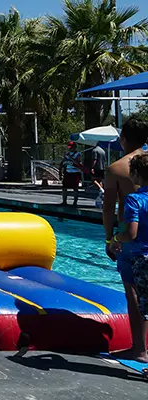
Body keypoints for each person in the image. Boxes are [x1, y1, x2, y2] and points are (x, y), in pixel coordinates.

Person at [103, 117, 148, 361]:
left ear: (123, 139)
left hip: (132, 242)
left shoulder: (117, 168)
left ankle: (139, 348)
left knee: (133, 291)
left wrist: (109, 238)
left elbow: (108, 207)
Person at [61, 141, 83, 206]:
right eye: (69, 148)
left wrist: (70, 158)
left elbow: (78, 163)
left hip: (75, 173)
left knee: (75, 188)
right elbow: (63, 162)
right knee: (64, 187)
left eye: (71, 148)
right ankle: (64, 201)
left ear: (74, 147)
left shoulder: (78, 154)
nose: (70, 149)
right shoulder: (67, 154)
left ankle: (75, 202)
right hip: (68, 172)